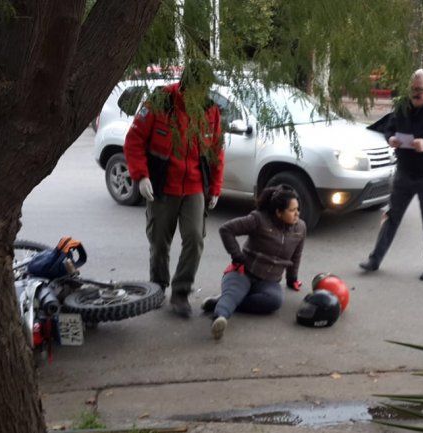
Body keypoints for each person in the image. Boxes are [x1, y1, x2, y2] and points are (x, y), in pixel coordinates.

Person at [123, 60, 225, 317]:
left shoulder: (210, 110)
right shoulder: (160, 103)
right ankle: (158, 286)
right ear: (183, 86)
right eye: (194, 92)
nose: (198, 97)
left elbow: (216, 151)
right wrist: (141, 176)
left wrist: (215, 187)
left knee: (195, 238)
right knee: (159, 241)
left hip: (193, 187)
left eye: (203, 92)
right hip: (161, 186)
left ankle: (181, 292)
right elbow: (133, 140)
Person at [359, 68, 423, 280]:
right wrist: (391, 138)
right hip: (404, 172)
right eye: (412, 88)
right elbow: (389, 127)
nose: (415, 93)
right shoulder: (404, 106)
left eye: (419, 89)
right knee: (391, 216)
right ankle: (375, 259)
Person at [202, 185, 306, 340]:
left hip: (269, 281)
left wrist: (292, 279)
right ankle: (220, 318)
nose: (297, 213)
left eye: (297, 209)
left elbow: (296, 256)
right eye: (292, 210)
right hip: (244, 271)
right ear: (278, 212)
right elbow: (226, 230)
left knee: (274, 301)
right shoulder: (259, 219)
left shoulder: (300, 228)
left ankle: (221, 301)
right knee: (234, 292)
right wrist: (237, 256)